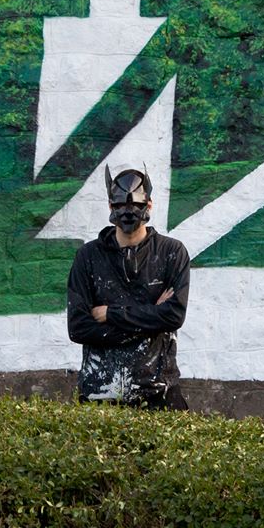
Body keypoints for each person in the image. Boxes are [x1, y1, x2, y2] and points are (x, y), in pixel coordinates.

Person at [64, 165, 191, 408]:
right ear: (111, 206)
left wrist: (110, 314)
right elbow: (78, 327)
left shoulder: (171, 253)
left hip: (158, 393)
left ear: (149, 205)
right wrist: (151, 319)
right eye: (121, 205)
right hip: (99, 393)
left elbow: (174, 315)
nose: (128, 212)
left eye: (136, 205)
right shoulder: (88, 256)